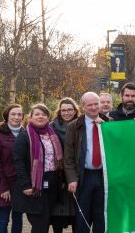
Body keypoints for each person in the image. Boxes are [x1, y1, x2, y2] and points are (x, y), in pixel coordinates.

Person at [13, 104, 64, 233]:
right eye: (37, 114)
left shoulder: (52, 134)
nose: (40, 117)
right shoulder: (24, 136)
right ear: (31, 117)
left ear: (48, 117)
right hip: (34, 185)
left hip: (52, 183)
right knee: (40, 223)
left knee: (47, 220)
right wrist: (26, 185)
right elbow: (18, 162)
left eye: (44, 114)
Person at [64, 92, 110, 233]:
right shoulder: (74, 126)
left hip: (104, 176)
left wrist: (106, 130)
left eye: (97, 104)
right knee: (82, 215)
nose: (94, 107)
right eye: (90, 105)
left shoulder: (109, 123)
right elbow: (69, 157)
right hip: (84, 176)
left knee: (101, 215)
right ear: (83, 106)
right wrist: (71, 179)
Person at [0, 103, 24, 233]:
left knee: (18, 218)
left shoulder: (25, 133)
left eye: (19, 114)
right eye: (13, 114)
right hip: (5, 184)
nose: (16, 117)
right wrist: (3, 187)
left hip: (20, 184)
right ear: (7, 116)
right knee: (3, 219)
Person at [49, 98, 80, 233]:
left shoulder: (81, 124)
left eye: (70, 110)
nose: (67, 113)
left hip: (76, 171)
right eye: (64, 110)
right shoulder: (52, 127)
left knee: (76, 211)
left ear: (75, 110)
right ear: (59, 111)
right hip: (59, 173)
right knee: (58, 213)